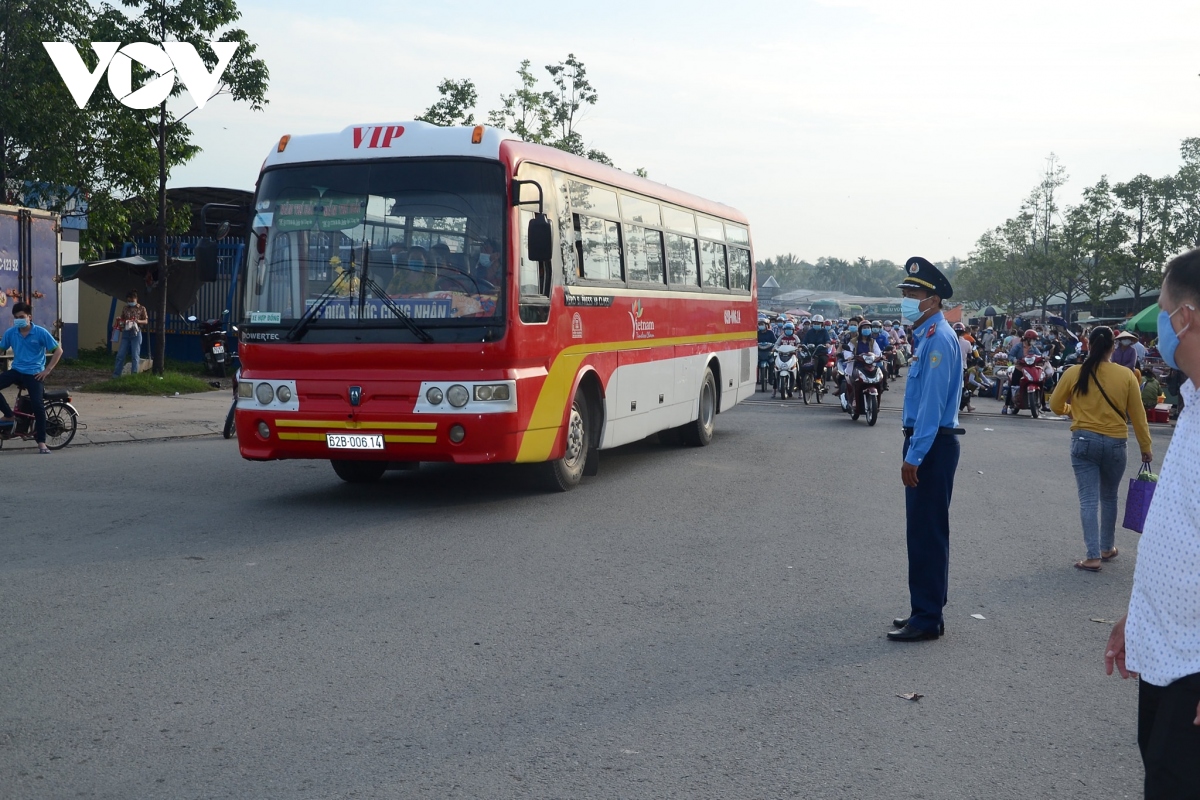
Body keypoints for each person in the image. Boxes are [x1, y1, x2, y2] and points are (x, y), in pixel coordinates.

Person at [1104, 247, 1200, 799]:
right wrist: (1136, 618)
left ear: (1185, 317)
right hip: (1167, 650)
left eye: (1163, 309)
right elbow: (1181, 536)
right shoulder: (1192, 402)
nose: (1159, 322)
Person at [889, 257, 963, 642]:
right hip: (930, 442)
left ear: (932, 300)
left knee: (926, 534)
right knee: (924, 531)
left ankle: (927, 617)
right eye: (904, 292)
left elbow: (932, 408)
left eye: (912, 293)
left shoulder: (938, 340)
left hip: (931, 445)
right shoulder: (929, 336)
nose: (906, 299)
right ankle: (926, 607)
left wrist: (913, 456)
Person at [1049, 326, 1152, 571]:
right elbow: (1138, 416)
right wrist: (1145, 446)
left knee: (1088, 500)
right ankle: (1107, 547)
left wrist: (1072, 411)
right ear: (1112, 347)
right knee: (1109, 497)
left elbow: (1054, 404)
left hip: (1084, 441)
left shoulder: (1075, 372)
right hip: (1117, 442)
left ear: (1089, 345)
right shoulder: (1127, 375)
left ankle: (1092, 556)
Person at [0, 303, 62, 454]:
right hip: (16, 370)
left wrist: (47, 370)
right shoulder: (11, 333)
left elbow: (58, 350)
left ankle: (41, 442)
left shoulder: (40, 333)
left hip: (34, 373)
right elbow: (1, 350)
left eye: (21, 317)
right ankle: (9, 416)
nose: (19, 320)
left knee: (38, 406)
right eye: (16, 318)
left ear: (29, 317)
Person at [112, 290, 149, 378]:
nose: (130, 302)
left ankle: (134, 376)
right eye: (129, 301)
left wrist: (138, 321)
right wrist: (119, 321)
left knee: (135, 356)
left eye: (132, 301)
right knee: (120, 355)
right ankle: (116, 375)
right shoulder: (125, 308)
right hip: (126, 332)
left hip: (136, 333)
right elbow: (122, 320)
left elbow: (146, 321)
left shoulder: (142, 308)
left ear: (136, 299)